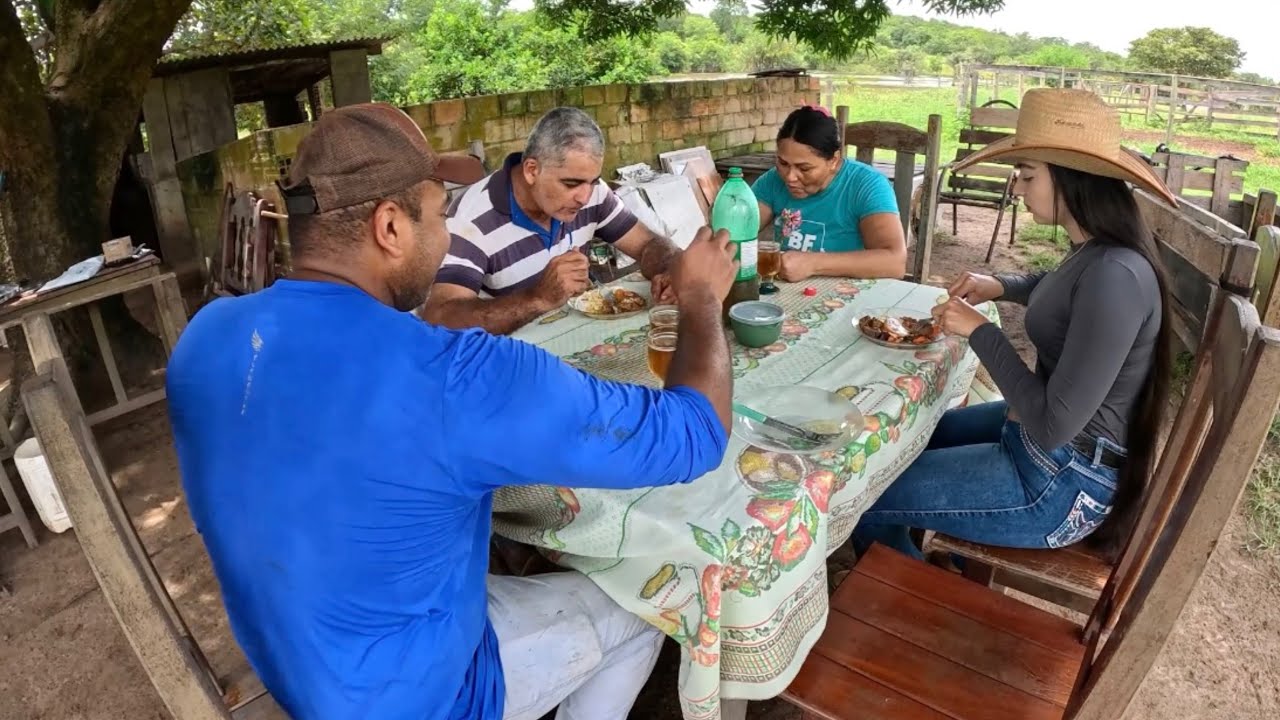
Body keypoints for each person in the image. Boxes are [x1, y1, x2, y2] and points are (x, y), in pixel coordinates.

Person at [165, 103, 740, 720]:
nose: (447, 234)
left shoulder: (207, 334)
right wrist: (702, 297)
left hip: (294, 658)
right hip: (422, 698)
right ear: (390, 227)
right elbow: (697, 432)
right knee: (647, 603)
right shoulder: (456, 375)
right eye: (441, 214)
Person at [852, 88, 1180, 561]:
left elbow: (1051, 424)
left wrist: (980, 332)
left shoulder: (1116, 275)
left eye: (1027, 175)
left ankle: (918, 601)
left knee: (866, 497)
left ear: (1072, 178)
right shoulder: (1094, 252)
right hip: (1045, 449)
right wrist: (1003, 284)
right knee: (910, 439)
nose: (1017, 188)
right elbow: (1060, 287)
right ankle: (951, 550)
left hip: (1061, 479)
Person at [422, 107, 682, 335]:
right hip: (506, 362)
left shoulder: (594, 193)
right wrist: (537, 298)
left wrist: (669, 270)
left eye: (592, 181)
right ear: (532, 170)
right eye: (571, 183)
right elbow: (441, 318)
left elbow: (649, 244)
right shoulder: (471, 220)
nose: (584, 196)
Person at [751, 105, 908, 282]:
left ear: (833, 160)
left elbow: (894, 262)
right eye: (783, 163)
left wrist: (813, 264)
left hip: (851, 293)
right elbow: (738, 232)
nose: (790, 177)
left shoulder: (867, 185)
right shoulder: (772, 181)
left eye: (804, 168)